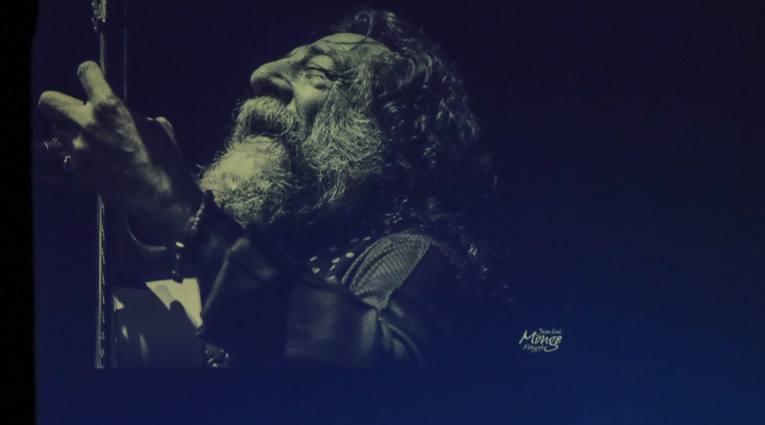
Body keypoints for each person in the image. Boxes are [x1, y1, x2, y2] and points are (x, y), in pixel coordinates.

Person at [36, 9, 503, 366]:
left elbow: (374, 378)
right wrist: (128, 197)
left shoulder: (414, 254)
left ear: (391, 134)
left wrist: (174, 201)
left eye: (317, 73)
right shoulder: (298, 246)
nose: (262, 74)